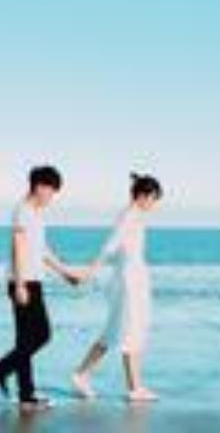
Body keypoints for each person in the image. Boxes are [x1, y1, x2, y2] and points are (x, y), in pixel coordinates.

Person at [0, 165, 81, 411]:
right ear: (40, 187)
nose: (52, 197)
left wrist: (65, 273)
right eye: (51, 191)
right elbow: (18, 247)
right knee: (42, 335)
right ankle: (1, 368)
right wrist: (20, 284)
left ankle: (26, 396)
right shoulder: (23, 211)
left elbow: (41, 250)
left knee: (25, 341)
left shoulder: (36, 213)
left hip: (32, 281)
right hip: (24, 282)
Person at [71, 172, 163, 402]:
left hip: (132, 277)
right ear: (143, 196)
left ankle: (85, 375)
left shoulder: (134, 214)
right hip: (129, 280)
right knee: (129, 331)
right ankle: (131, 387)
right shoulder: (130, 215)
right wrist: (90, 271)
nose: (153, 205)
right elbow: (110, 246)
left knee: (118, 331)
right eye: (153, 199)